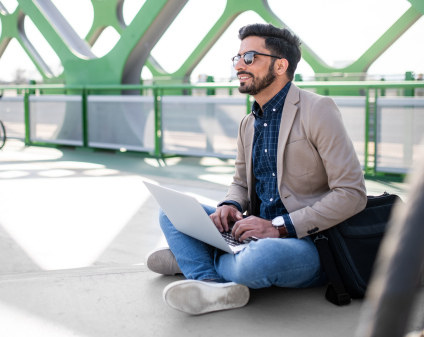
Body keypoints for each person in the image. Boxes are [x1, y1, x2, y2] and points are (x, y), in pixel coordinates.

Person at [145, 23, 367, 315]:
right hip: (251, 230)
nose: (239, 65)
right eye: (237, 58)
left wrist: (277, 227)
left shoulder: (317, 109)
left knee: (261, 260)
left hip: (306, 241)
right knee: (170, 210)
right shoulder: (248, 123)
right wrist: (230, 204)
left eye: (249, 57)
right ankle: (211, 283)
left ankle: (193, 260)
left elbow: (352, 193)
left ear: (280, 65)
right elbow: (240, 182)